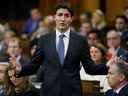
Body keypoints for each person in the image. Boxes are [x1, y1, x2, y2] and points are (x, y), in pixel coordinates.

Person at [10, 4, 108, 96]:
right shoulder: (44, 39)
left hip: (72, 91)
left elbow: (90, 68)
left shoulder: (80, 40)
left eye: (66, 15)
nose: (63, 19)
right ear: (55, 17)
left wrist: (108, 67)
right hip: (49, 91)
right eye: (60, 15)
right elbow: (34, 65)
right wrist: (21, 70)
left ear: (71, 19)